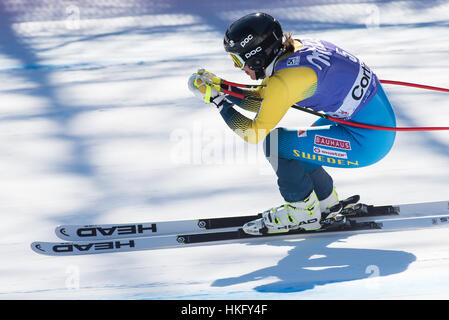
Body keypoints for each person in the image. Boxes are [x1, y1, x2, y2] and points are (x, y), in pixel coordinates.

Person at [188, 12, 396, 235]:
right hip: (369, 126)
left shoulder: (285, 80)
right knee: (299, 143)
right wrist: (222, 86)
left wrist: (217, 100)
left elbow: (252, 134)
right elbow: (263, 98)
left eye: (238, 60)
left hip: (368, 142)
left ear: (256, 56)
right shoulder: (294, 49)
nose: (240, 68)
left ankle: (301, 211)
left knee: (276, 144)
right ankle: (326, 203)